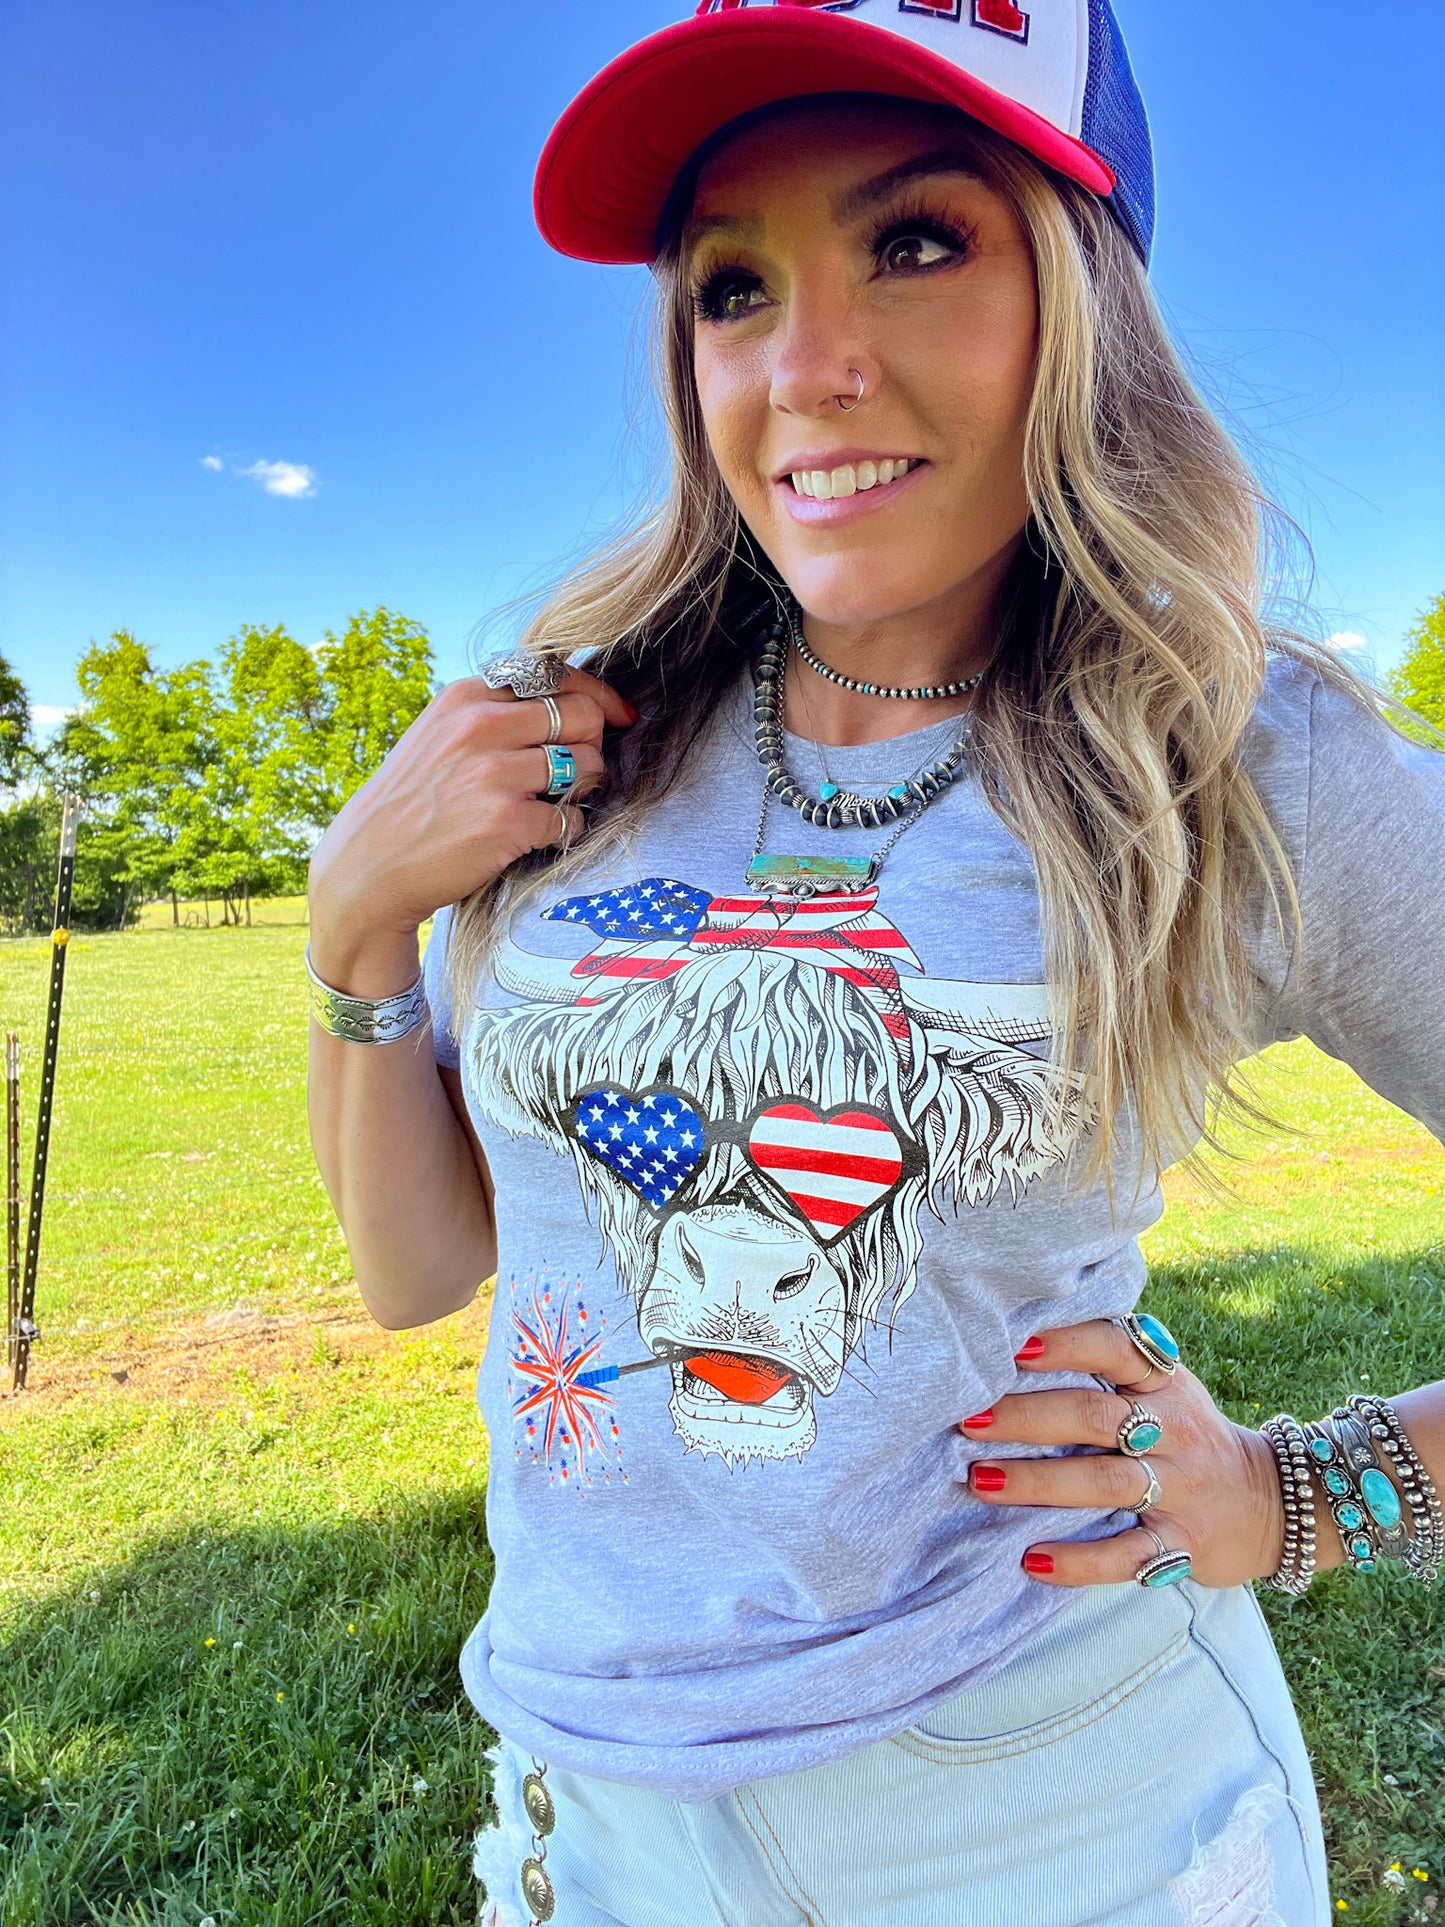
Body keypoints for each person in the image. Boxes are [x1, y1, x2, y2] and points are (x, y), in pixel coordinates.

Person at [305, 4, 1445, 1921]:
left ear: (1080, 306)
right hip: (592, 1808)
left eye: (915, 242)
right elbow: (421, 1273)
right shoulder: (585, 738)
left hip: (1054, 1802)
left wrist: (1311, 1490)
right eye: (733, 287)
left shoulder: (1233, 763)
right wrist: (357, 915)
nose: (806, 369)